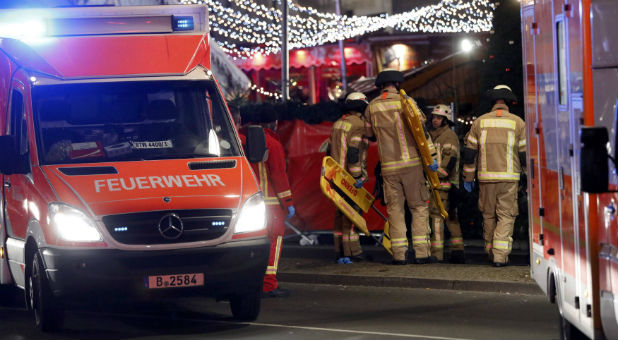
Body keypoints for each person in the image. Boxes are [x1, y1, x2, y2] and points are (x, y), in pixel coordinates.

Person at [364, 69, 439, 265]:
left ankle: (399, 254)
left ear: (381, 86)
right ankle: (422, 253)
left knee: (395, 210)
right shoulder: (406, 101)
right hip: (411, 163)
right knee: (419, 207)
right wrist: (431, 157)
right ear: (397, 84)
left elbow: (370, 134)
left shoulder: (372, 107)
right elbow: (421, 131)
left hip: (388, 167)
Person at [233, 106, 296, 297]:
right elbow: (279, 175)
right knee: (273, 241)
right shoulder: (273, 144)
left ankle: (248, 282)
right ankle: (268, 284)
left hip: (244, 202)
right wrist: (288, 202)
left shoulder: (239, 140)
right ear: (273, 123)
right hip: (270, 203)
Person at [462, 85, 526, 267]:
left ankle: (490, 252)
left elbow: (469, 153)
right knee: (506, 216)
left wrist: (468, 178)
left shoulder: (479, 122)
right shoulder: (518, 123)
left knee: (488, 216)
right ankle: (500, 257)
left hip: (485, 179)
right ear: (508, 102)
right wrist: (529, 177)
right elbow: (524, 155)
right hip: (509, 180)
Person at [328, 92, 371, 264]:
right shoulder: (359, 125)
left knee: (340, 213)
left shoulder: (338, 123)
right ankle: (352, 252)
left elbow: (328, 151)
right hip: (348, 176)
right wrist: (357, 176)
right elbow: (354, 152)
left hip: (334, 175)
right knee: (351, 214)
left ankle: (339, 250)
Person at [427, 104, 465, 263]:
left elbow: (450, 162)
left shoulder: (448, 136)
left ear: (446, 120)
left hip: (443, 184)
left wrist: (437, 172)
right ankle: (458, 251)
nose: (435, 120)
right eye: (434, 117)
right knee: (451, 218)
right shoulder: (434, 136)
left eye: (439, 118)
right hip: (439, 184)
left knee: (436, 217)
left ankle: (437, 254)